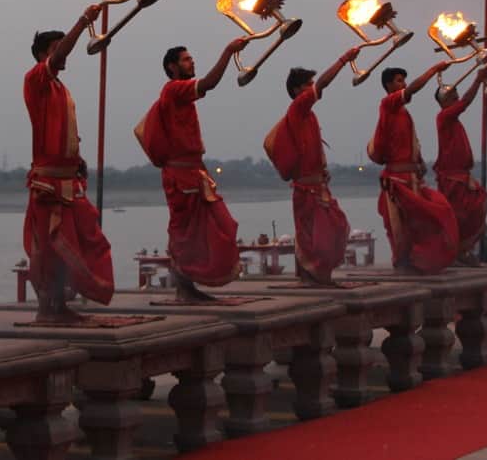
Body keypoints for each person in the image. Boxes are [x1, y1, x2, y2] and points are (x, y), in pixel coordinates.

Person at [23, 5, 115, 322]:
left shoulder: (61, 88)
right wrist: (83, 21)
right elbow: (60, 56)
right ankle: (46, 308)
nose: (64, 55)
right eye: (56, 49)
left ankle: (60, 305)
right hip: (48, 183)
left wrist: (78, 159)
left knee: (81, 241)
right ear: (43, 54)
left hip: (68, 180)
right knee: (48, 249)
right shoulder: (36, 78)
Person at [151, 39, 249, 301]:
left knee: (218, 226)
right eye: (186, 59)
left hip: (195, 173)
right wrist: (228, 51)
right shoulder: (173, 89)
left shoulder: (182, 95)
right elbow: (209, 83)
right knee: (184, 233)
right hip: (180, 177)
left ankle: (189, 287)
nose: (192, 62)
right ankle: (184, 290)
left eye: (191, 58)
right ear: (172, 67)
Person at [263, 48, 361, 285]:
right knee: (312, 235)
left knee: (335, 228)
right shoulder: (297, 109)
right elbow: (324, 83)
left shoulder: (310, 116)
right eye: (308, 84)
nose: (313, 87)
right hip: (306, 190)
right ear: (297, 91)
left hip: (319, 186)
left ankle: (318, 276)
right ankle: (310, 277)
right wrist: (343, 60)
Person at [369, 63, 459, 274]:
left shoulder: (403, 112)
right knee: (400, 224)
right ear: (389, 85)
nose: (404, 84)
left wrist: (419, 162)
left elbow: (409, 142)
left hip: (412, 178)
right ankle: (404, 263)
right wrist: (432, 70)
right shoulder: (388, 104)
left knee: (432, 213)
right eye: (399, 81)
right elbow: (412, 90)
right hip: (397, 179)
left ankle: (422, 260)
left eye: (404, 80)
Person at [433, 69, 487, 266]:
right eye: (453, 96)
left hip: (462, 177)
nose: (457, 98)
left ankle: (461, 250)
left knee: (478, 207)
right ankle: (456, 252)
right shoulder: (444, 117)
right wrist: (478, 80)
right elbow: (465, 102)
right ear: (445, 101)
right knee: (459, 216)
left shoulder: (452, 120)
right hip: (453, 180)